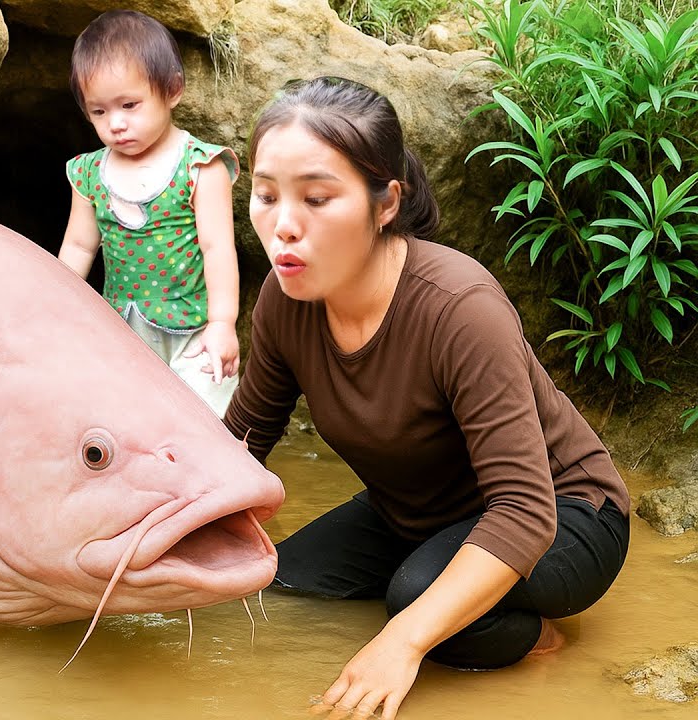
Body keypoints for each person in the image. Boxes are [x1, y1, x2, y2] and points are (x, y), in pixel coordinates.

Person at [224, 76, 630, 719]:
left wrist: (401, 643)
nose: (284, 226)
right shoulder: (284, 299)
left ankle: (534, 636)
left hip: (566, 513)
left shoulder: (460, 308)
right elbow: (242, 442)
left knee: (414, 602)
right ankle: (441, 589)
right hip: (413, 514)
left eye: (318, 199)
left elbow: (524, 508)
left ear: (387, 203)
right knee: (278, 583)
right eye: (266, 196)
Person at [57, 9, 241, 416]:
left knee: (201, 423)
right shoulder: (89, 173)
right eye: (99, 112)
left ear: (172, 90)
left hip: (194, 330)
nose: (116, 124)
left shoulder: (199, 167)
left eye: (129, 104)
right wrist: (56, 307)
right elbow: (79, 245)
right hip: (121, 329)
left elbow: (217, 249)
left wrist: (223, 323)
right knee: (130, 426)